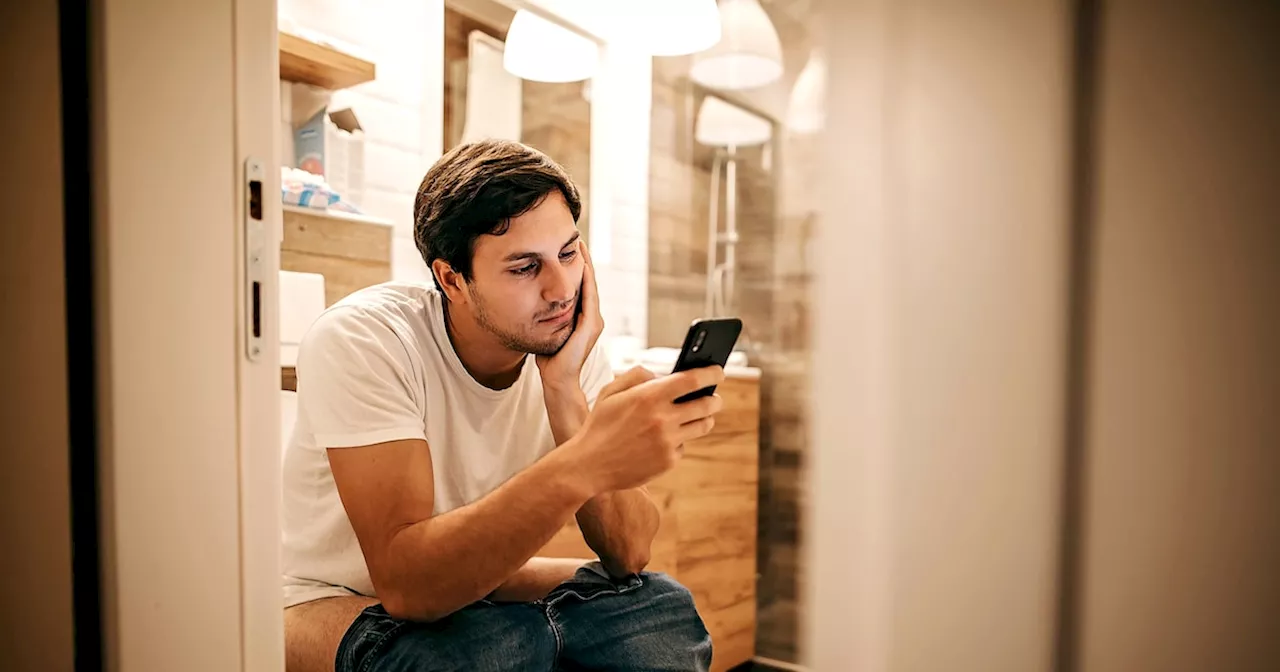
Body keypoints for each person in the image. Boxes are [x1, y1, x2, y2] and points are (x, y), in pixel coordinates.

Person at [281, 139, 725, 672]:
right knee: (490, 647)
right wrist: (587, 459)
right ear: (452, 279)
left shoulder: (567, 347)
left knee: (660, 609)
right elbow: (406, 585)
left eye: (568, 253)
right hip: (325, 596)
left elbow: (628, 552)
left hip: (475, 590)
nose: (561, 289)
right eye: (524, 268)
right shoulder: (366, 338)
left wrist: (564, 392)